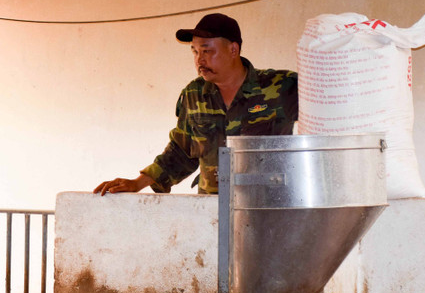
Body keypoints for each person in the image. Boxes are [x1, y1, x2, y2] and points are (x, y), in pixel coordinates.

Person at [94, 13, 298, 195]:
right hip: (211, 211)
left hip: (268, 207)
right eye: (194, 51)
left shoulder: (280, 87)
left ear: (233, 49)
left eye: (207, 51)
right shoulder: (195, 94)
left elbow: (324, 113)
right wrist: (137, 183)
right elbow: (182, 151)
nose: (199, 60)